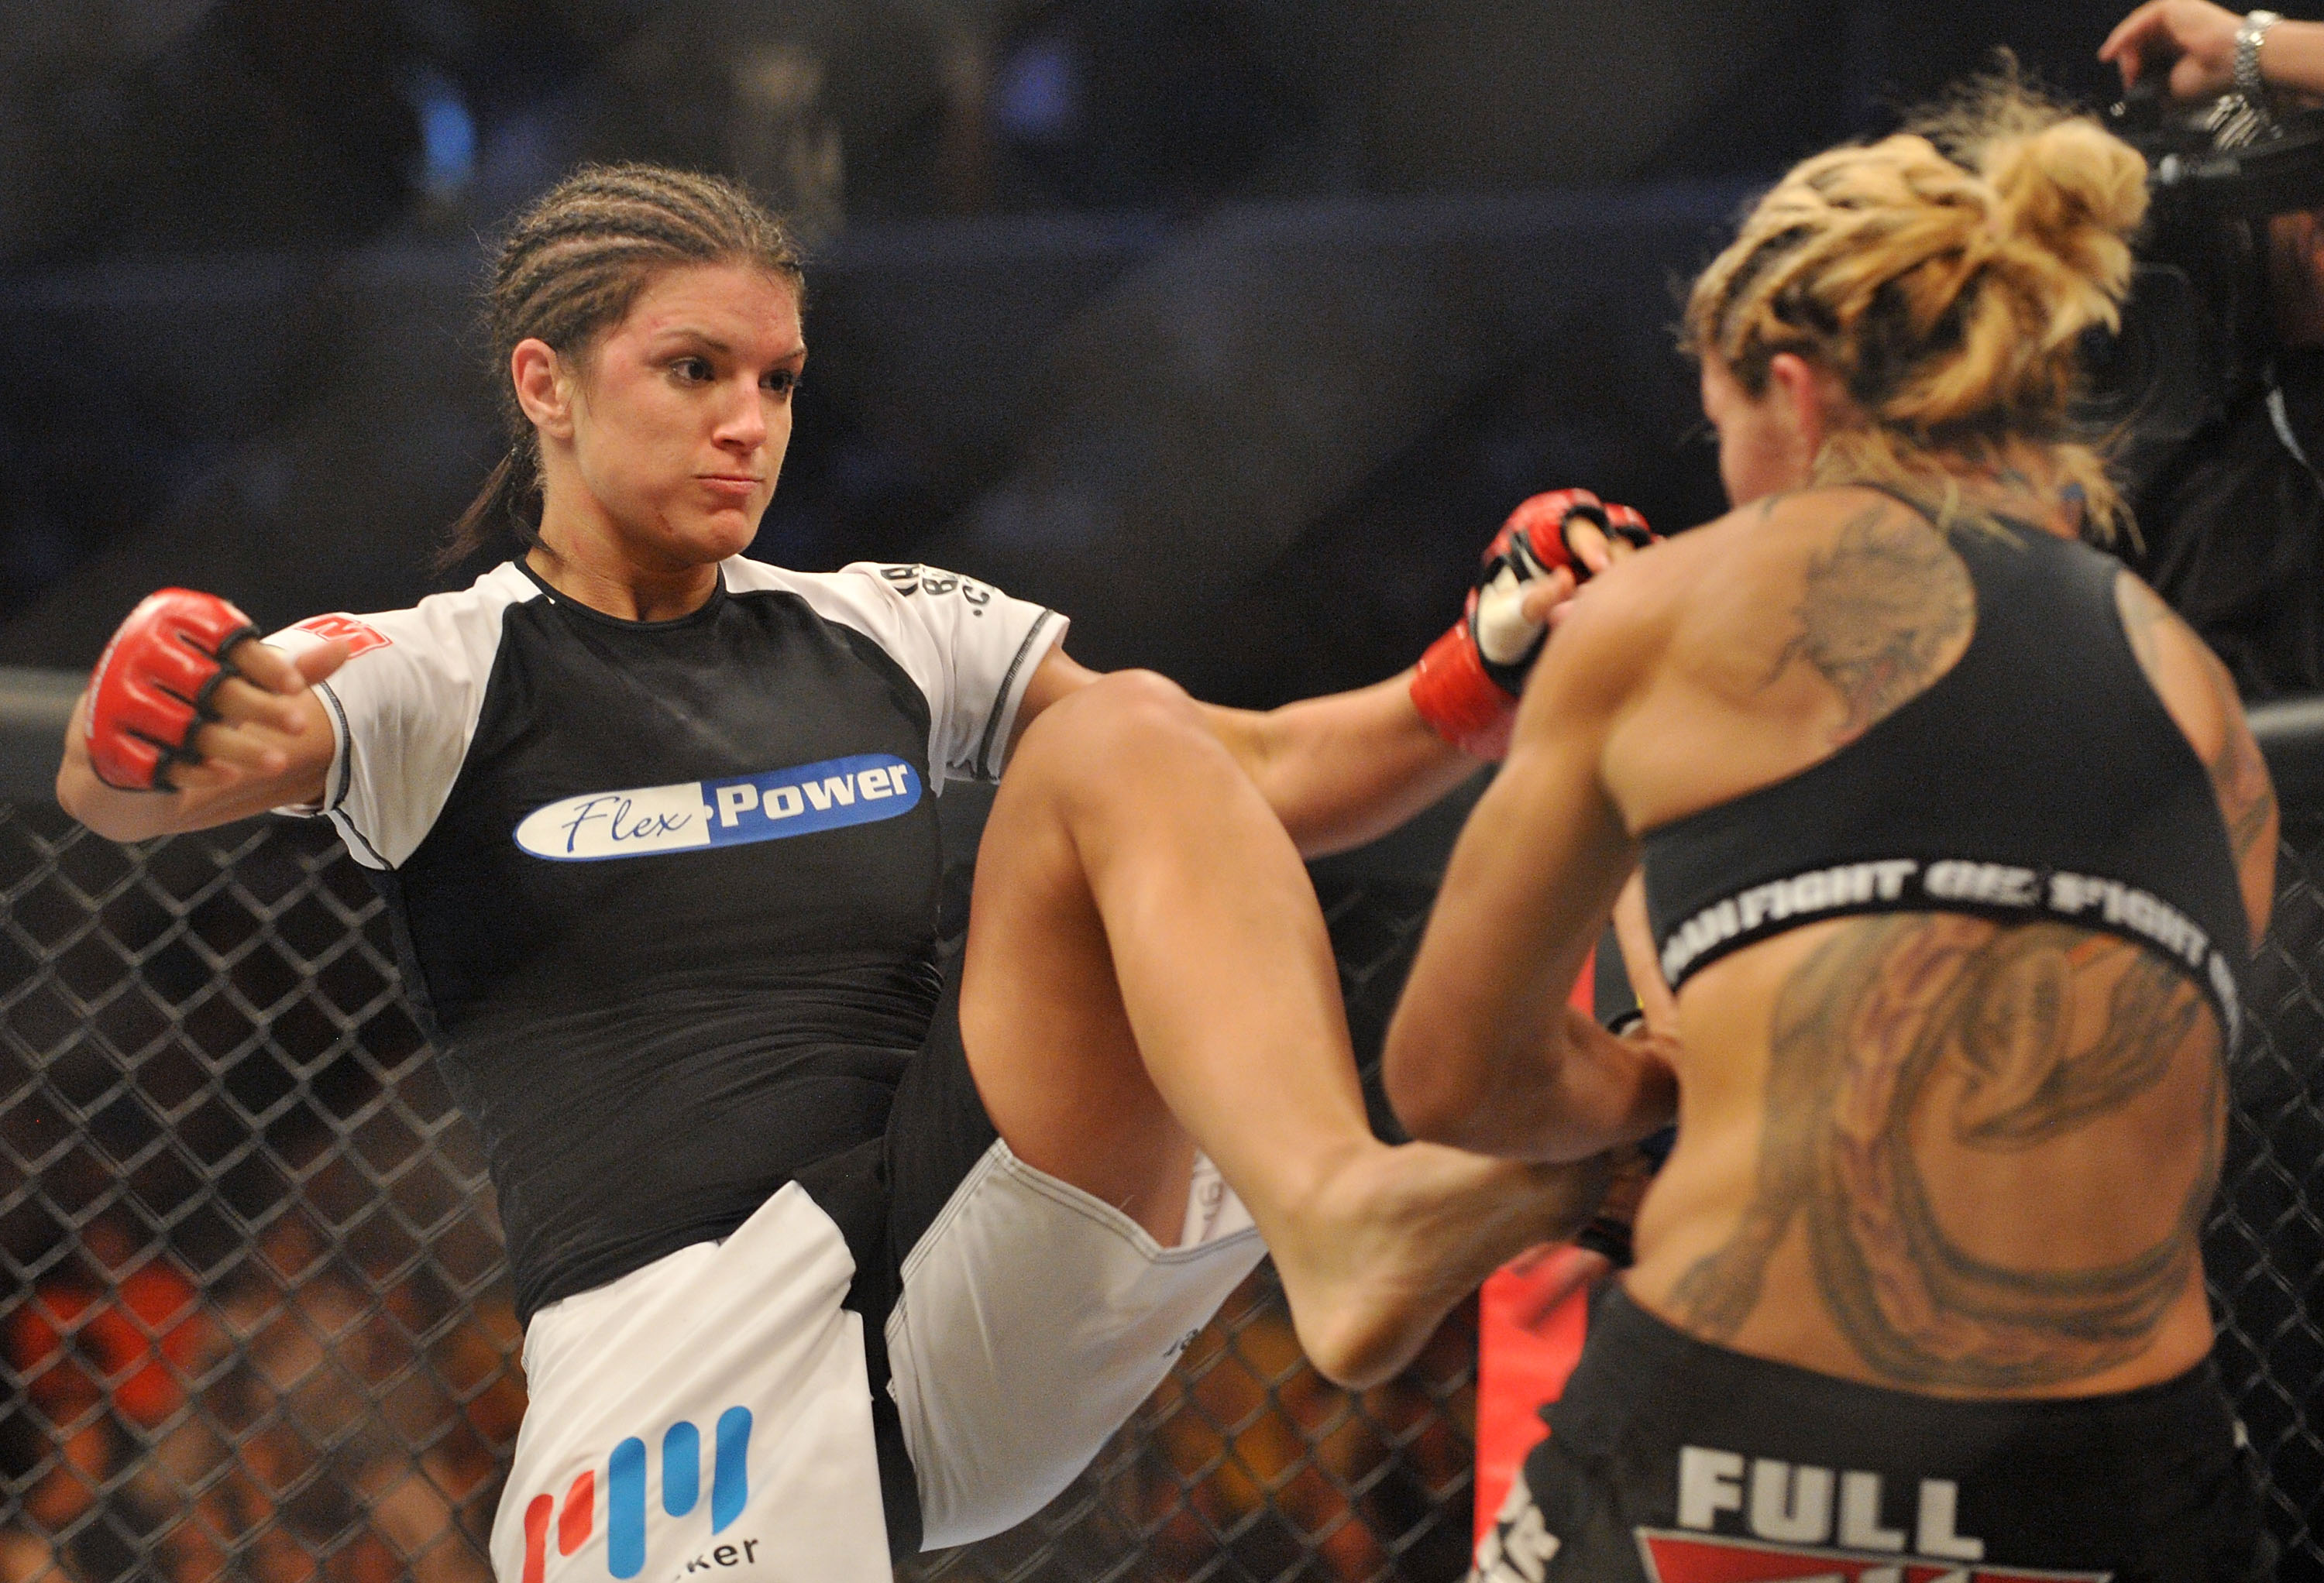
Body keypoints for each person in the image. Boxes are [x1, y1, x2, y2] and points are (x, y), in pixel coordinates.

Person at [53, 163, 1637, 1581]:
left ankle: (1338, 1205)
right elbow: (192, 768)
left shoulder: (889, 621)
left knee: (1130, 733)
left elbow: (1266, 775)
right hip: (684, 1336)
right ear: (545, 383)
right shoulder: (446, 666)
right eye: (693, 370)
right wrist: (144, 727)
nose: (749, 421)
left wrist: (1475, 669)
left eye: (779, 378)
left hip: (970, 1251)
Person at [1384, 85, 2281, 1583]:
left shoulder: (1674, 611)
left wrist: (1659, 1075)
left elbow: (1449, 1073)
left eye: (1725, 427)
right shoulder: (2199, 701)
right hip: (2122, 1472)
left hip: (1740, 1431)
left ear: (1793, 397)